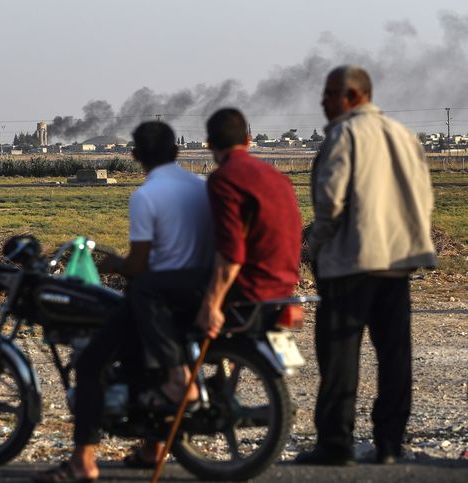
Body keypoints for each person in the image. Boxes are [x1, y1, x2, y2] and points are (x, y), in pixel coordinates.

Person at [34, 121, 214, 482]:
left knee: (89, 363)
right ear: (177, 151)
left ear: (134, 156)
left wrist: (114, 263)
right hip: (200, 291)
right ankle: (152, 446)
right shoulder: (200, 186)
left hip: (158, 296)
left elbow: (139, 264)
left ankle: (83, 459)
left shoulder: (146, 195)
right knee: (142, 365)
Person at [295, 65, 436, 466]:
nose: (322, 101)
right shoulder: (404, 135)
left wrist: (314, 247)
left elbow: (330, 203)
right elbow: (423, 199)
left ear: (353, 96)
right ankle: (390, 443)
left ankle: (335, 442)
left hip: (348, 265)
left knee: (339, 356)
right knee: (394, 356)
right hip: (396, 264)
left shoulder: (344, 134)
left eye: (329, 94)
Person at [194, 108, 302, 341]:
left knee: (152, 292)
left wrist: (211, 306)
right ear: (248, 140)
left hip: (252, 286)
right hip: (285, 283)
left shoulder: (224, 178)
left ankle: (177, 373)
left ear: (210, 144)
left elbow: (232, 253)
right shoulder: (276, 176)